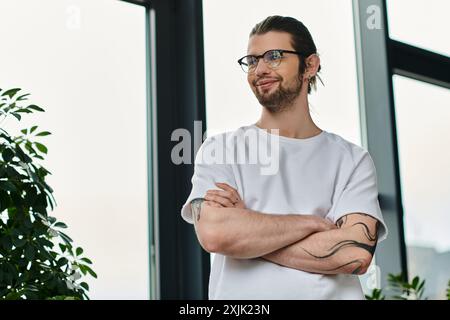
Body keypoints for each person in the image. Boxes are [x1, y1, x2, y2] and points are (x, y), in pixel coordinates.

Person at [181, 15, 388, 300]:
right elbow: (216, 235)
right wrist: (313, 224)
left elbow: (354, 254)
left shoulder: (352, 160)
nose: (260, 69)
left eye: (274, 56)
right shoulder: (220, 149)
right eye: (252, 61)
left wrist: (249, 234)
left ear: (310, 66)